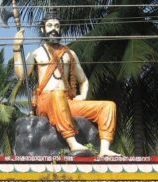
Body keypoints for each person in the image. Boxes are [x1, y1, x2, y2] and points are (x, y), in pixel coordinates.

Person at [13, 9, 119, 156]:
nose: (53, 29)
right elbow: (21, 75)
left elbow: (84, 81)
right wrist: (17, 49)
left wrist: (82, 95)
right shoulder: (37, 54)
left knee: (108, 106)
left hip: (67, 101)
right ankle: (72, 143)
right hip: (46, 101)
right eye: (50, 25)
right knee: (57, 95)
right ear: (43, 29)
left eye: (57, 26)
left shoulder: (69, 54)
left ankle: (105, 149)